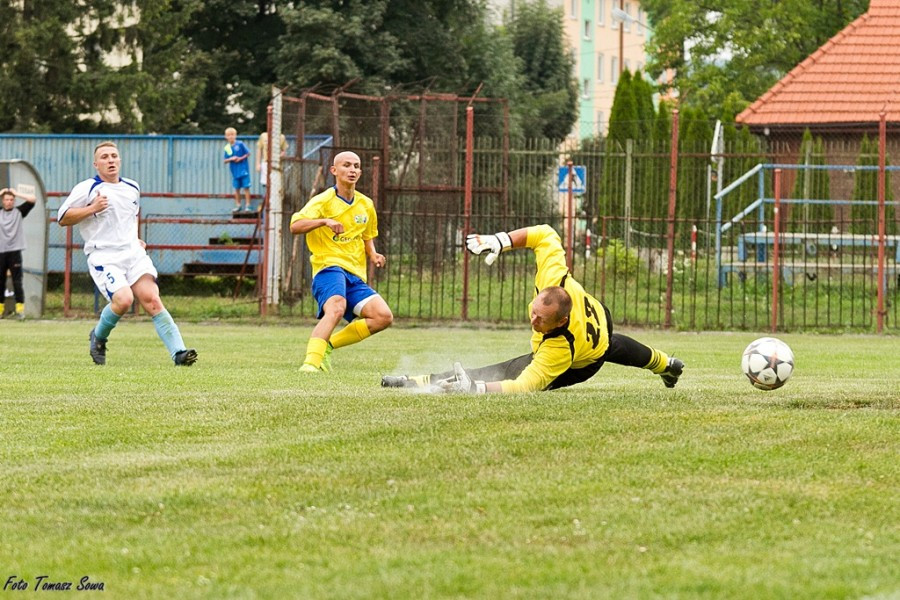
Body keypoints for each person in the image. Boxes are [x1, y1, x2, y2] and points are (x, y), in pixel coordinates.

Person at [382, 224, 684, 393]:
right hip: (599, 315)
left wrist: (479, 390)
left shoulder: (560, 348)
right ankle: (667, 365)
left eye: (540, 320)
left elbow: (524, 385)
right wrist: (501, 241)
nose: (532, 320)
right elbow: (545, 233)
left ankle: (419, 382)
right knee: (612, 344)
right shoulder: (553, 276)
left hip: (583, 360)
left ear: (560, 321)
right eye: (533, 311)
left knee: (500, 372)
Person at [58, 141, 197, 367]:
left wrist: (135, 238)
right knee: (123, 300)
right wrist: (92, 208)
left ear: (120, 160)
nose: (110, 160)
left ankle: (179, 353)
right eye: (104, 157)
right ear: (96, 164)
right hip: (104, 256)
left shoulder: (132, 187)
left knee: (151, 299)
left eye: (114, 156)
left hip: (132, 253)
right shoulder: (87, 188)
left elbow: (130, 217)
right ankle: (99, 337)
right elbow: (63, 218)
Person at [289, 151, 393, 373]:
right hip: (328, 267)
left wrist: (373, 254)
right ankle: (310, 363)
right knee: (336, 307)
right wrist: (324, 221)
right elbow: (295, 226)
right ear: (334, 171)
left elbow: (367, 234)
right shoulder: (323, 201)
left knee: (383, 317)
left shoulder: (366, 204)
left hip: (354, 273)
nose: (353, 170)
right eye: (346, 165)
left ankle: (327, 346)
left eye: (356, 165)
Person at [0, 187, 37, 319]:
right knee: (1, 281)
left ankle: (20, 310)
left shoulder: (19, 212)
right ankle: (1, 310)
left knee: (17, 281)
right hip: (1, 252)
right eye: (6, 199)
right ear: (2, 201)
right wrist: (2, 192)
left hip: (15, 251)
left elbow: (33, 200)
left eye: (11, 199)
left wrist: (16, 193)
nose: (9, 202)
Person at [223, 127, 252, 212]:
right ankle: (238, 205)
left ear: (235, 135)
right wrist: (232, 158)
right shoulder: (227, 148)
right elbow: (225, 160)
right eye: (229, 135)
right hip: (235, 172)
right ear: (226, 137)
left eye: (232, 135)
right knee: (236, 188)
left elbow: (248, 153)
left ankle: (248, 205)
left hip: (243, 170)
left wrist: (240, 158)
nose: (231, 137)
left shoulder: (240, 144)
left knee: (246, 187)